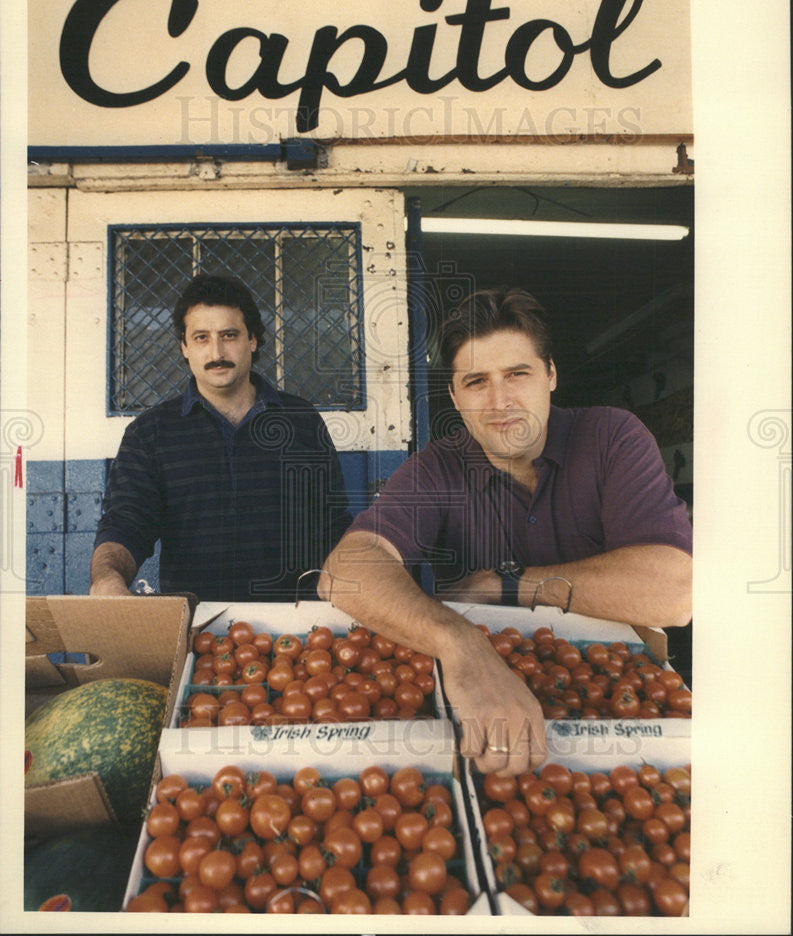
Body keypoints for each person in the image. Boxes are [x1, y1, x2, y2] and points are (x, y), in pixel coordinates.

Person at [319, 287, 692, 775]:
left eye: (518, 374)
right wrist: (462, 645)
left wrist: (510, 583)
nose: (500, 401)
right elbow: (345, 570)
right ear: (454, 396)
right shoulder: (436, 469)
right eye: (476, 381)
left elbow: (676, 592)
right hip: (486, 704)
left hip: (619, 706)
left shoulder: (612, 438)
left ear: (551, 375)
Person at [90, 274, 351, 602]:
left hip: (298, 628)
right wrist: (107, 579)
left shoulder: (302, 421)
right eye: (201, 337)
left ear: (253, 340)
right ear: (184, 347)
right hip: (195, 630)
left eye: (229, 335)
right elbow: (125, 525)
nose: (216, 351)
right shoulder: (149, 433)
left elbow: (335, 525)